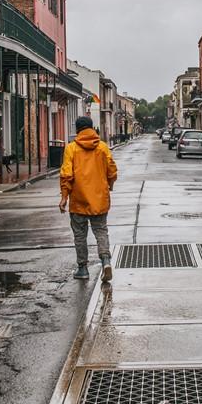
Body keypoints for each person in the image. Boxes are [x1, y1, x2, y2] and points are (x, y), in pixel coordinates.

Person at [59, 116, 118, 282]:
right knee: (101, 231)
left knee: (80, 235)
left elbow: (66, 175)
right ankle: (105, 260)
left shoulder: (71, 148)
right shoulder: (102, 147)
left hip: (78, 201)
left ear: (77, 130)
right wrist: (109, 185)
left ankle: (83, 269)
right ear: (92, 128)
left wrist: (64, 197)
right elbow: (112, 170)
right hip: (99, 200)